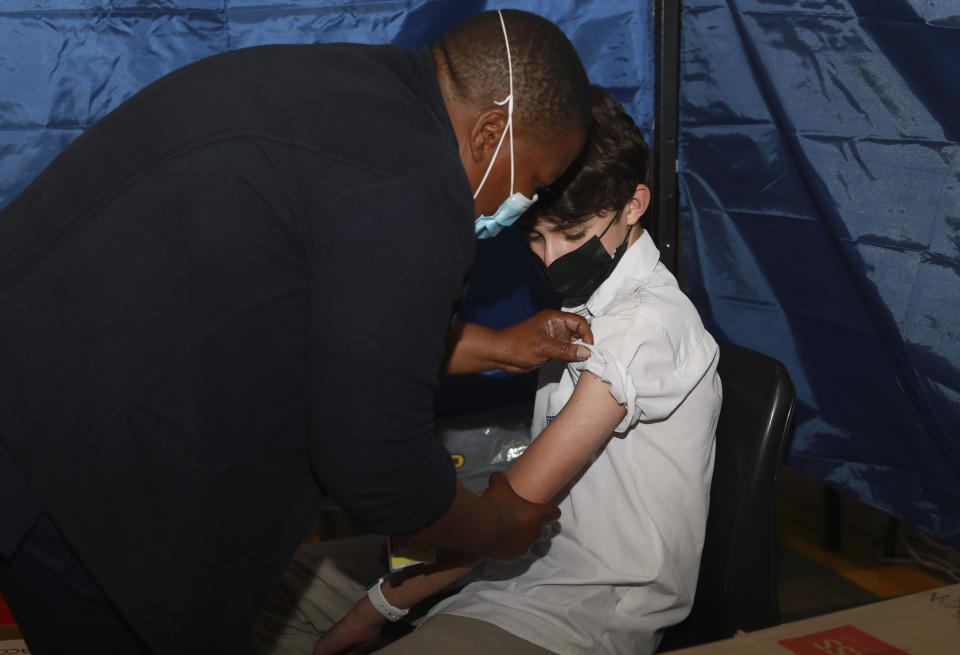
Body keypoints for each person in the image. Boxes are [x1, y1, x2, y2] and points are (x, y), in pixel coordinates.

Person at [0, 9, 594, 654]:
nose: (520, 208)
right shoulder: (414, 187)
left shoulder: (335, 87)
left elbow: (327, 324)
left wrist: (497, 346)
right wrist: (497, 525)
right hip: (74, 470)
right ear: (491, 132)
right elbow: (379, 470)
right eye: (532, 185)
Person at [267, 86, 722, 655]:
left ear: (634, 204)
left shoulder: (641, 329)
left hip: (573, 607)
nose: (551, 259)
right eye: (536, 236)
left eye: (573, 235)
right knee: (269, 589)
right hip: (509, 568)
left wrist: (371, 612)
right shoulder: (593, 297)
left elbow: (511, 512)